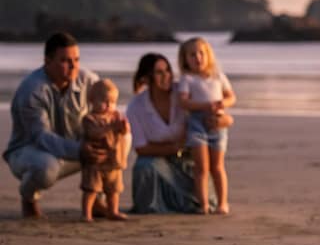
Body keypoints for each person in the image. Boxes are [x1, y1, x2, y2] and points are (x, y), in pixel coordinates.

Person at [3, 31, 111, 218]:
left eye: (76, 60)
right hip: (29, 150)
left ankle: (96, 199)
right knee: (46, 168)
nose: (73, 66)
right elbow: (41, 137)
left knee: (111, 143)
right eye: (65, 61)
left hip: (74, 148)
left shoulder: (88, 80)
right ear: (47, 61)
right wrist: (80, 150)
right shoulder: (32, 90)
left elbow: (108, 108)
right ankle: (29, 198)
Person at [126, 52, 229, 214]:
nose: (166, 76)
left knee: (205, 197)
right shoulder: (135, 106)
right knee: (144, 166)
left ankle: (182, 201)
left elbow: (212, 108)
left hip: (189, 160)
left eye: (168, 70)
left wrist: (225, 120)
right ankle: (155, 205)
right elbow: (141, 148)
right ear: (146, 78)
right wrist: (175, 147)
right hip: (158, 160)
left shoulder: (182, 93)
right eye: (159, 72)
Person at [177, 37, 236, 215]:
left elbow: (231, 97)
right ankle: (203, 204)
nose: (198, 58)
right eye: (192, 55)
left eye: (201, 53)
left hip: (217, 123)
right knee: (201, 167)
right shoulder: (187, 79)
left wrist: (221, 103)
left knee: (217, 166)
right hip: (196, 123)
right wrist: (204, 106)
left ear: (208, 55)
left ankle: (222, 202)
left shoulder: (218, 76)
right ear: (185, 59)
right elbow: (183, 102)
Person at [80, 79, 130, 222]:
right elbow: (94, 133)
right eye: (104, 101)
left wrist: (123, 127)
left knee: (113, 189)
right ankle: (87, 213)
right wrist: (111, 128)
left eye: (113, 102)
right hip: (95, 162)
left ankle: (113, 211)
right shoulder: (89, 119)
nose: (109, 106)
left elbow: (123, 134)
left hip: (113, 160)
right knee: (91, 188)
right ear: (92, 100)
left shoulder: (114, 117)